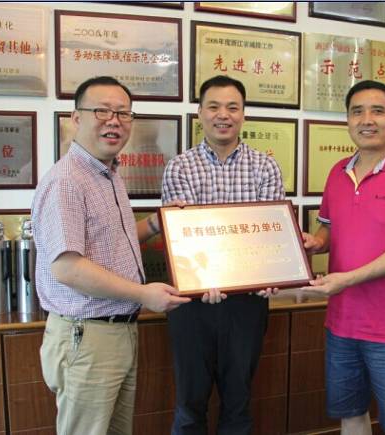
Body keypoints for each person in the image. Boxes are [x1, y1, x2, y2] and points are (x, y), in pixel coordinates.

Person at [31, 76, 190, 435]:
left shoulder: (108, 174)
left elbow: (113, 241)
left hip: (114, 333)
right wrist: (143, 294)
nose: (114, 121)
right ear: (76, 118)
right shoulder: (67, 181)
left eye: (123, 113)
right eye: (102, 111)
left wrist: (156, 223)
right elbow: (67, 267)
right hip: (88, 336)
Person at [302, 80, 385, 435]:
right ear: (348, 120)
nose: (367, 120)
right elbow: (328, 230)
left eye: (378, 111)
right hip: (341, 323)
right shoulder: (338, 172)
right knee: (350, 414)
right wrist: (314, 243)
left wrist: (346, 279)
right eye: (357, 112)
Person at [161, 75, 284, 435]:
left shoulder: (265, 167)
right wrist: (206, 280)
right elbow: (184, 238)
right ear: (200, 113)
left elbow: (270, 235)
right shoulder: (180, 167)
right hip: (191, 302)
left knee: (238, 400)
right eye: (213, 106)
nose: (223, 115)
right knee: (190, 403)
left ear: (244, 114)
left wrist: (271, 274)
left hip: (247, 302)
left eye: (233, 107)